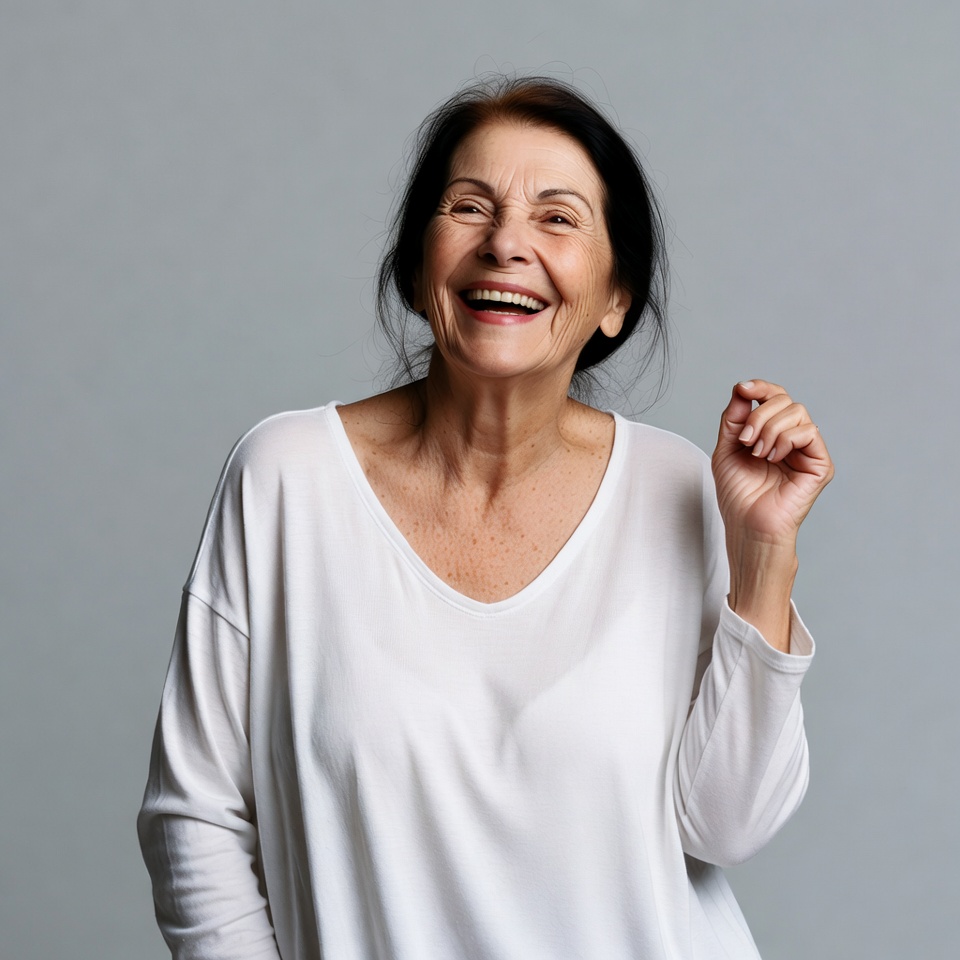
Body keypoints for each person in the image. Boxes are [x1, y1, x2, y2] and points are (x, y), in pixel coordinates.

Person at [138, 76, 834, 960]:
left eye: (558, 217)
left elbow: (728, 828)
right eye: (469, 208)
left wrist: (762, 555)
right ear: (414, 263)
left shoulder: (678, 488)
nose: (505, 244)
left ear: (616, 298)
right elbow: (194, 817)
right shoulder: (287, 479)